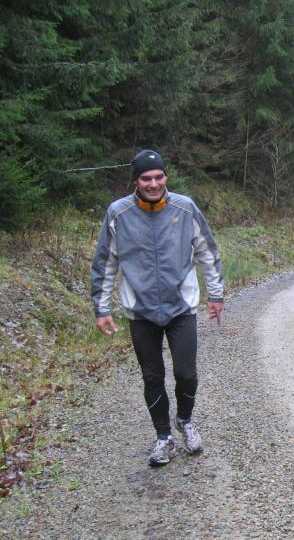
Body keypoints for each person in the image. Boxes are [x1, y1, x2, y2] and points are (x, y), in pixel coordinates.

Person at [91, 149, 224, 466]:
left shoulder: (185, 207)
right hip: (140, 311)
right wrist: (102, 309)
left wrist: (216, 295)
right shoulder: (118, 213)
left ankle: (185, 420)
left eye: (159, 177)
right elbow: (105, 262)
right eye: (146, 178)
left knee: (186, 373)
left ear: (166, 177)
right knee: (152, 378)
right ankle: (164, 438)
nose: (153, 184)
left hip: (181, 307)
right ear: (135, 181)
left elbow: (206, 251)